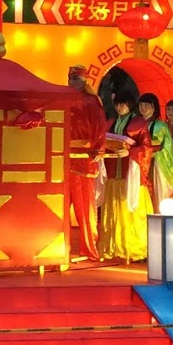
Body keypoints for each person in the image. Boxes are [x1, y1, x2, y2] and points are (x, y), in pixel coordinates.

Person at [98, 93, 152, 263]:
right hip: (114, 172)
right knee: (113, 211)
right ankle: (113, 247)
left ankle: (135, 248)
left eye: (122, 104)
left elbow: (147, 148)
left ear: (130, 105)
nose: (119, 108)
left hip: (131, 174)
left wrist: (131, 152)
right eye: (117, 105)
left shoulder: (139, 123)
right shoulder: (110, 123)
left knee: (131, 210)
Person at [67, 65, 108, 262]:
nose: (72, 81)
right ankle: (59, 248)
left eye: (75, 78)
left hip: (83, 159)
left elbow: (99, 127)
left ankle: (89, 248)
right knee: (58, 206)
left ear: (84, 81)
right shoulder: (63, 100)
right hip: (62, 158)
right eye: (70, 78)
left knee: (85, 208)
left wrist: (98, 150)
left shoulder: (92, 102)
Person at [138, 93, 173, 209]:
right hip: (140, 163)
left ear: (154, 107)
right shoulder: (136, 123)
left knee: (155, 194)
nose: (143, 108)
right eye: (141, 105)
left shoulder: (160, 126)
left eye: (147, 105)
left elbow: (160, 145)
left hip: (155, 164)